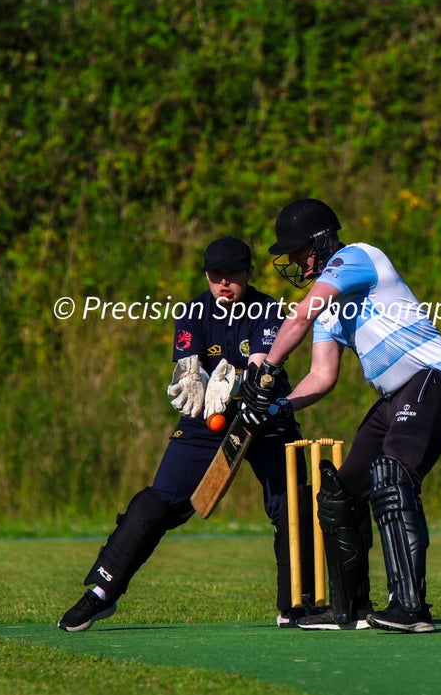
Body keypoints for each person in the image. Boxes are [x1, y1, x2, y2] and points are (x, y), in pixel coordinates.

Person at [239, 199, 441, 633]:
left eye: (298, 251)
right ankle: (349, 609)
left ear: (323, 241)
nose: (294, 262)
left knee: (391, 474)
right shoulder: (330, 307)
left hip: (434, 380)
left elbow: (300, 316)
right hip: (397, 396)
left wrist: (267, 368)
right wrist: (278, 406)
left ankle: (410, 608)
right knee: (339, 494)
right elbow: (321, 377)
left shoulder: (357, 257)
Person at [58, 236, 314, 632]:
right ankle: (102, 592)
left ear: (249, 273)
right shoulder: (193, 311)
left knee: (292, 504)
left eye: (232, 275)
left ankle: (298, 604)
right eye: (216, 276)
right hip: (205, 418)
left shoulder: (268, 310)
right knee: (157, 502)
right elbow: (186, 364)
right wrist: (192, 376)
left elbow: (263, 362)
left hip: (263, 417)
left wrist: (243, 379)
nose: (223, 283)